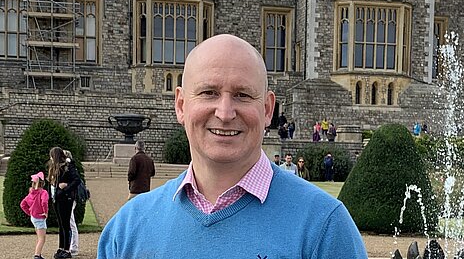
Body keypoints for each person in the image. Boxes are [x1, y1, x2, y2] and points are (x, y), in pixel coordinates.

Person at [98, 34, 367, 258]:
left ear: (267, 109)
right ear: (181, 105)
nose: (225, 113)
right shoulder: (127, 230)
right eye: (209, 93)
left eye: (242, 95)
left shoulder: (324, 226)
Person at [48, 146, 80, 259]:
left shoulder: (68, 166)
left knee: (66, 225)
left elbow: (76, 180)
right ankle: (61, 247)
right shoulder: (55, 167)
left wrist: (65, 188)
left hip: (66, 198)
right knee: (61, 225)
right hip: (57, 198)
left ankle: (67, 249)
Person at [20, 172, 49, 259]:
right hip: (40, 217)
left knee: (39, 237)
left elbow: (22, 204)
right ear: (43, 183)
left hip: (34, 217)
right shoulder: (43, 192)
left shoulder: (31, 193)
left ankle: (39, 254)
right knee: (42, 239)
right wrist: (45, 212)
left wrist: (29, 212)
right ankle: (37, 255)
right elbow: (44, 202)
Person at [63, 150, 79, 256]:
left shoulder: (70, 167)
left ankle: (74, 247)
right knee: (69, 222)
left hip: (71, 197)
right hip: (69, 197)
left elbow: (76, 181)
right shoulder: (68, 167)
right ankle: (70, 246)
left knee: (71, 223)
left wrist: (66, 187)